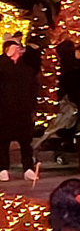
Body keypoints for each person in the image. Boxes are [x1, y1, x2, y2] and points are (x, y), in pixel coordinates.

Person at [0, 38, 36, 181]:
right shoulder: (2, 66)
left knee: (26, 142)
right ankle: (3, 168)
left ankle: (28, 168)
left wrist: (32, 106)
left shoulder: (25, 68)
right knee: (3, 142)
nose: (18, 51)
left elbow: (33, 87)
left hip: (23, 110)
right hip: (4, 110)